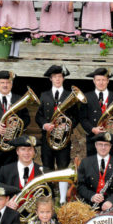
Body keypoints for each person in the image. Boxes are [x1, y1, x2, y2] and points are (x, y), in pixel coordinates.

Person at [35, 65, 79, 204]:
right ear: (51, 79)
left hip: (63, 140)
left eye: (60, 77)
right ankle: (49, 197)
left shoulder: (69, 95)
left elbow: (76, 116)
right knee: (47, 166)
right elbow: (38, 116)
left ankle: (62, 200)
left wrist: (68, 125)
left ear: (63, 78)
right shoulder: (44, 95)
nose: (57, 79)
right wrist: (44, 125)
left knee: (63, 167)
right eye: (55, 77)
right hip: (47, 139)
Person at [78, 67, 113, 157]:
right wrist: (92, 129)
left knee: (109, 164)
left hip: (110, 137)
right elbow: (82, 118)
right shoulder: (86, 97)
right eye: (98, 80)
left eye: (103, 80)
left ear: (108, 81)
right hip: (92, 137)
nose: (101, 83)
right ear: (94, 81)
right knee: (92, 165)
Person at [77, 132, 113, 211]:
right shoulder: (85, 163)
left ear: (110, 146)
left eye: (106, 145)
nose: (103, 147)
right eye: (100, 144)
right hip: (90, 202)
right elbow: (81, 186)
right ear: (95, 145)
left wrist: (111, 201)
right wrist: (92, 196)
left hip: (110, 203)